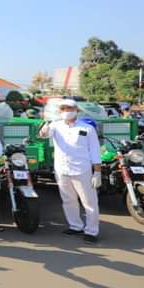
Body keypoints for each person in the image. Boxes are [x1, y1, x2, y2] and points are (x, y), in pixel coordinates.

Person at [40, 99, 102, 243]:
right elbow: (44, 135)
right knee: (68, 200)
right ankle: (75, 226)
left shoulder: (87, 128)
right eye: (63, 109)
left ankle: (92, 231)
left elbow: (94, 150)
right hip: (62, 169)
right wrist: (45, 125)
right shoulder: (55, 125)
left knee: (89, 201)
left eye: (69, 108)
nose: (66, 111)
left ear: (76, 110)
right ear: (60, 111)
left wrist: (97, 171)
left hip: (82, 170)